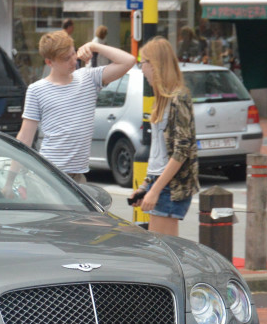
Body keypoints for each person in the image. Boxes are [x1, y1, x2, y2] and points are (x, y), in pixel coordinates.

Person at [16, 30, 135, 182]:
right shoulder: (36, 90)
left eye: (73, 53)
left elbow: (128, 61)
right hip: (50, 174)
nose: (73, 61)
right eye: (66, 59)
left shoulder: (89, 78)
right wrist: (11, 179)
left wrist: (94, 46)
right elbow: (25, 136)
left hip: (78, 176)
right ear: (49, 62)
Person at [130, 37, 198, 237]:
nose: (142, 69)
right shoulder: (161, 100)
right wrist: (145, 186)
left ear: (156, 65)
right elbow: (158, 154)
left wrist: (155, 189)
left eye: (143, 63)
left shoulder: (179, 98)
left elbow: (181, 151)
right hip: (160, 183)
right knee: (162, 252)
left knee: (165, 253)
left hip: (170, 186)